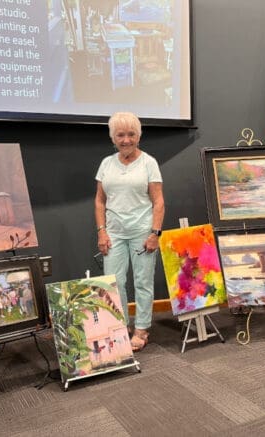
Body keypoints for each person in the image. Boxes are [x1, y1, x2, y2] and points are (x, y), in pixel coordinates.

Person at [95, 111, 164, 352]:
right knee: (113, 283)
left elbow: (158, 201)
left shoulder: (149, 163)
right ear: (113, 137)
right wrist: (101, 231)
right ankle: (119, 327)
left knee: (143, 282)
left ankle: (142, 328)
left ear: (139, 135)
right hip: (114, 233)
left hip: (142, 232)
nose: (126, 140)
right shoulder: (106, 163)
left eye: (131, 134)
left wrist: (155, 233)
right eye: (120, 135)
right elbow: (100, 201)